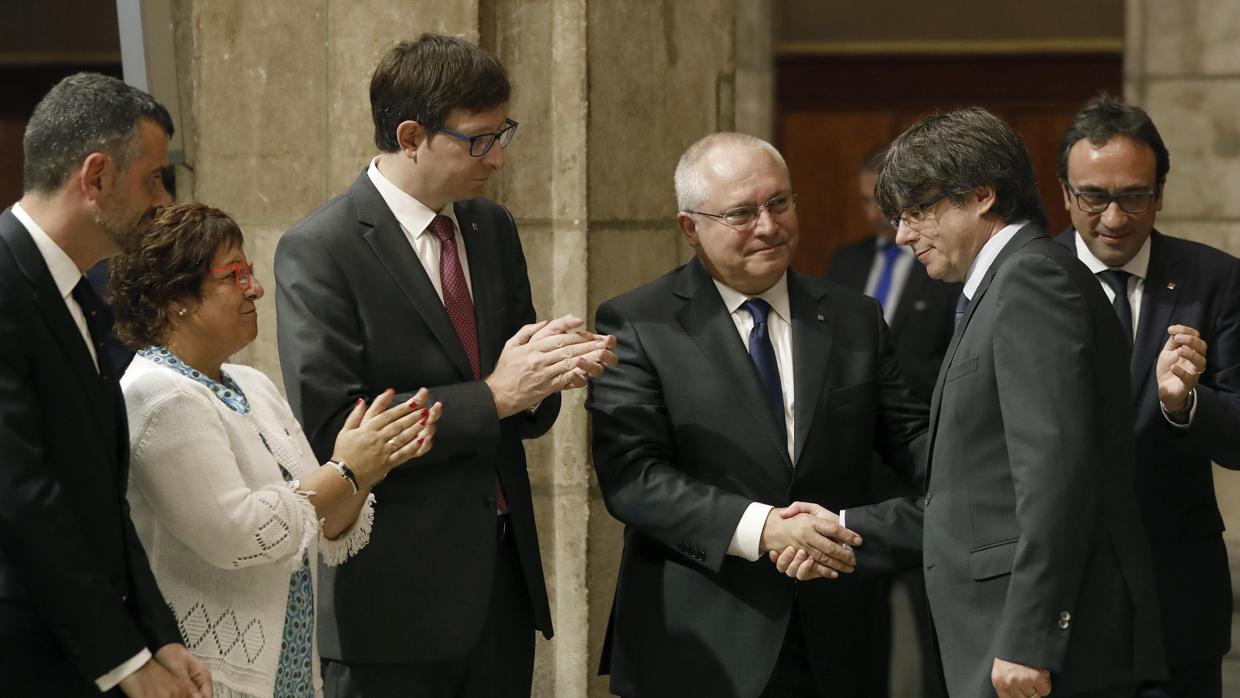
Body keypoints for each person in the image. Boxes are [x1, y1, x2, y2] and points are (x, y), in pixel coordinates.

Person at [779, 107, 1166, 697]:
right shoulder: (1004, 285)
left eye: (918, 211)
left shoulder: (1032, 282)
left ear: (982, 196)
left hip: (1044, 655)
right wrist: (844, 526)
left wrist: (1030, 637)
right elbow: (980, 498)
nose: (904, 234)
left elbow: (1056, 477)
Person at [275, 34, 617, 696]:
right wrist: (491, 396)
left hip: (500, 589)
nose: (500, 156)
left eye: (503, 132)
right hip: (393, 604)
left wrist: (552, 369)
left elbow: (525, 410)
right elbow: (337, 426)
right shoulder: (321, 248)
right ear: (410, 135)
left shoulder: (490, 228)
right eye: (479, 139)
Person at [586, 132, 927, 697]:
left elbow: (912, 440)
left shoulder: (853, 317)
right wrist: (764, 528)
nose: (768, 226)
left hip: (837, 636)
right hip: (699, 641)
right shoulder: (639, 323)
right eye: (742, 213)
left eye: (779, 204)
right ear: (690, 227)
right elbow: (633, 478)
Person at [110, 202, 439, 697]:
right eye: (234, 275)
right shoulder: (159, 395)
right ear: (176, 295)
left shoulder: (250, 382)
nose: (256, 288)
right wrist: (348, 468)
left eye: (250, 273)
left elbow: (326, 521)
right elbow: (239, 536)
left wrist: (373, 460)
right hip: (207, 671)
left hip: (287, 661)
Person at [0, 72, 210, 696]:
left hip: (80, 648)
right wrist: (125, 663)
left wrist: (158, 635)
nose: (164, 201)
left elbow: (99, 496)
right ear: (95, 178)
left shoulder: (82, 293)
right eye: (152, 178)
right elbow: (23, 499)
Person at [1054, 95, 1240, 698]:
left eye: (1134, 196)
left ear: (1160, 193)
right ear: (1064, 194)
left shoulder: (1215, 279)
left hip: (1174, 598)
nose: (1114, 218)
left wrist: (1184, 405)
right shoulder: (1026, 279)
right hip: (1061, 600)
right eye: (1093, 197)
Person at [824, 146, 957, 698]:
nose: (874, 213)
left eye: (884, 201)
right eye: (863, 201)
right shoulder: (845, 263)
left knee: (937, 634)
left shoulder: (946, 269)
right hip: (856, 478)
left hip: (925, 469)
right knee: (857, 633)